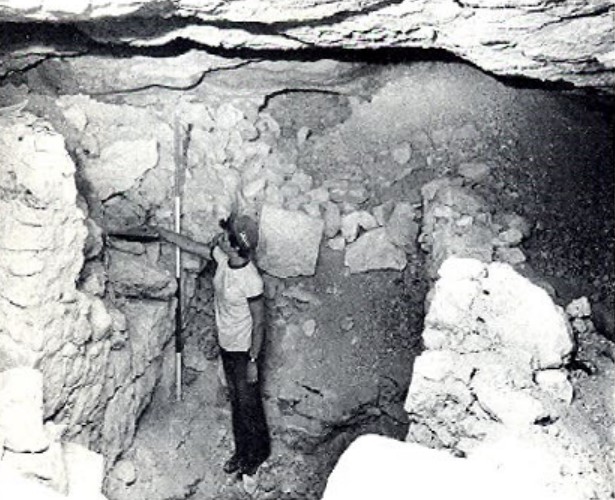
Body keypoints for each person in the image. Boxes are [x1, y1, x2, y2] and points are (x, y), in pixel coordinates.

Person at [153, 214, 271, 478]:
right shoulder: (223, 259)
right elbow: (191, 245)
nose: (221, 237)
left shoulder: (251, 279)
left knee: (248, 404)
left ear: (236, 246)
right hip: (227, 345)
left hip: (245, 351)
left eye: (226, 236)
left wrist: (253, 360)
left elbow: (260, 323)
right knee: (237, 402)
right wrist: (162, 232)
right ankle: (242, 452)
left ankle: (257, 454)